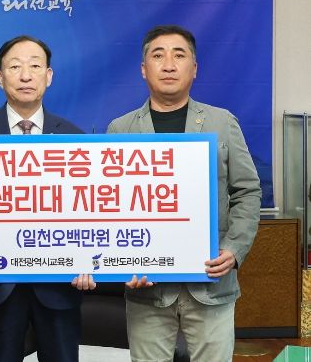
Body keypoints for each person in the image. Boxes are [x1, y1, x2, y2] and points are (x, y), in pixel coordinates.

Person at [107, 25, 261, 362]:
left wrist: (234, 249)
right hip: (147, 289)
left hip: (210, 284)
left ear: (195, 68)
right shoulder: (121, 129)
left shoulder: (222, 122)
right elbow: (110, 206)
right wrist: (121, 262)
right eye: (158, 55)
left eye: (179, 55)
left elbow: (247, 191)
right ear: (143, 69)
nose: (168, 64)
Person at [0, 35, 95, 362]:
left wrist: (88, 260)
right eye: (15, 67)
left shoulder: (74, 137)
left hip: (60, 285)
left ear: (49, 76)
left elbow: (87, 209)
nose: (25, 76)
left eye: (35, 66)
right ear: (0, 77)